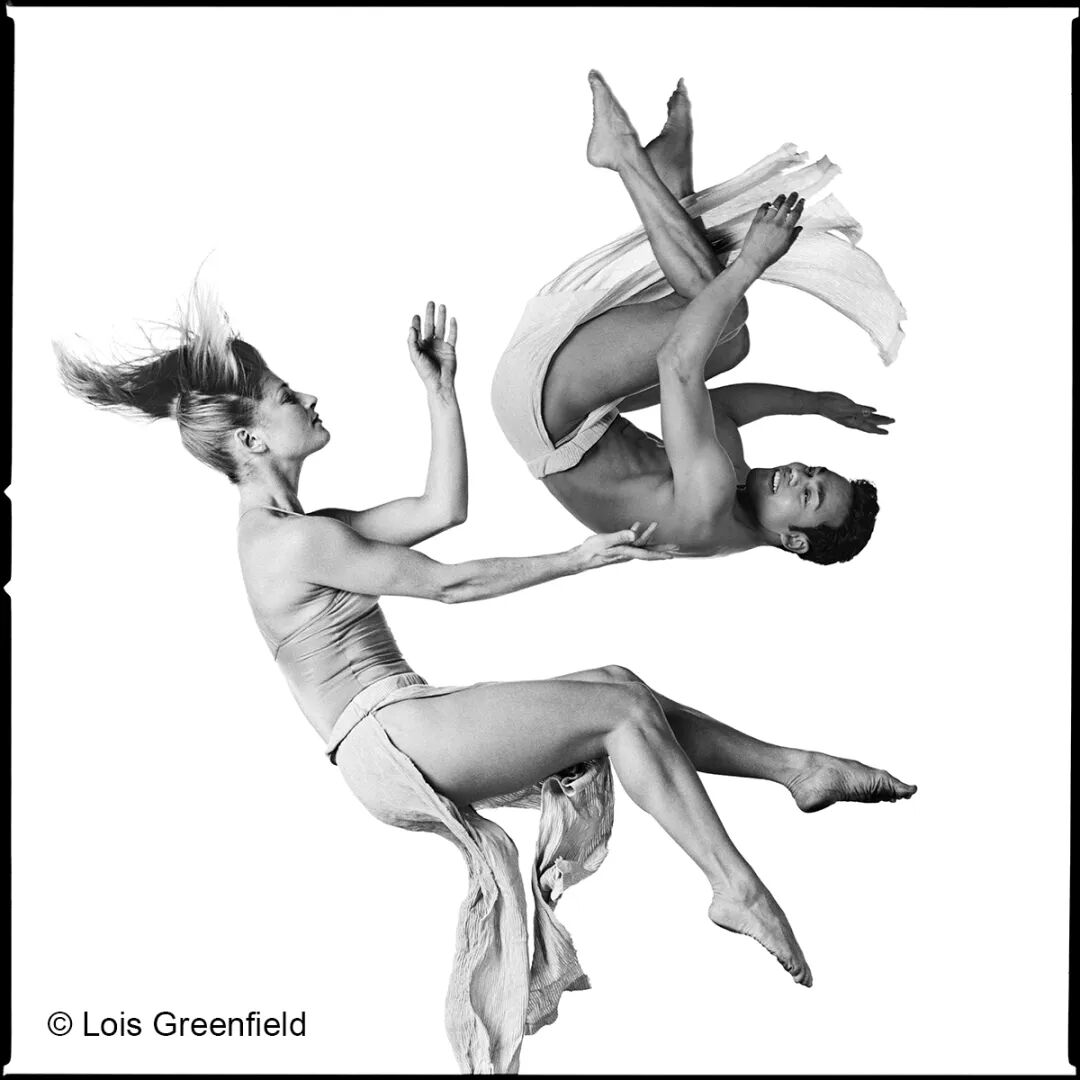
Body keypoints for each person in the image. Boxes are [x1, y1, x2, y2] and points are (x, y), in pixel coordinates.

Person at [56, 291, 915, 1073]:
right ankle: (736, 886)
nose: (308, 398)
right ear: (251, 442)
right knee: (618, 709)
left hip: (399, 727)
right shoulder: (290, 542)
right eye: (287, 397)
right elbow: (448, 585)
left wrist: (440, 393)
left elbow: (443, 511)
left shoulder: (308, 527)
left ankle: (798, 771)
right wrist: (575, 559)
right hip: (391, 736)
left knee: (619, 686)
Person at [491, 71, 906, 564]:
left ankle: (624, 156)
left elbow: (677, 364)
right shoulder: (735, 505)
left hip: (542, 406)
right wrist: (812, 403)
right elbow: (721, 409)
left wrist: (752, 262)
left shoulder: (710, 503)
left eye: (808, 496)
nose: (798, 474)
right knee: (731, 346)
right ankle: (670, 181)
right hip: (569, 415)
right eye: (813, 471)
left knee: (726, 314)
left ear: (796, 540)